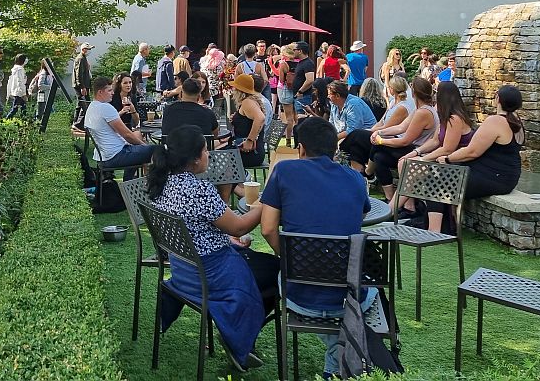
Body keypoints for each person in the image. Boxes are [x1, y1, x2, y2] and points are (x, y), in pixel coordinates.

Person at [148, 124, 275, 373]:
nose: (209, 155)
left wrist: (224, 239)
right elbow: (239, 227)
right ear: (195, 159)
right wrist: (265, 204)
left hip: (183, 272)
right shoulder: (200, 190)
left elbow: (194, 227)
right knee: (276, 270)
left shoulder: (161, 183)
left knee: (258, 262)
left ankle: (237, 335)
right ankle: (239, 338)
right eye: (206, 151)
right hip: (211, 275)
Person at [259, 116, 376, 379]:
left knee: (282, 274)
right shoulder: (356, 179)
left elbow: (267, 228)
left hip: (298, 293)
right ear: (335, 150)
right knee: (371, 289)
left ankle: (336, 360)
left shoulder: (284, 171)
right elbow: (358, 216)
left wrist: (288, 257)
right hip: (348, 298)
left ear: (300, 148)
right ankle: (338, 361)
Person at [400, 81, 474, 232]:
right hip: (445, 160)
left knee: (415, 168)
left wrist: (422, 159)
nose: (434, 96)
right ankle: (404, 207)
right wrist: (416, 152)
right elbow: (435, 141)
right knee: (406, 162)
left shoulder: (455, 119)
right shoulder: (445, 117)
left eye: (437, 93)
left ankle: (397, 208)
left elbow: (447, 149)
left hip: (456, 163)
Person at [369, 77, 438, 207]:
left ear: (414, 93)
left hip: (419, 151)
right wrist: (379, 132)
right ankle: (390, 199)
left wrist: (381, 141)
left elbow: (405, 141)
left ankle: (368, 173)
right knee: (379, 157)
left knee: (377, 146)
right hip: (412, 149)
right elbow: (401, 127)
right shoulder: (419, 109)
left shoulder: (423, 112)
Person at [341, 75, 413, 176]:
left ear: (392, 89)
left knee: (356, 133)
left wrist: (371, 131)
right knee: (355, 147)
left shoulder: (402, 107)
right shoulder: (392, 102)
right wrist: (371, 129)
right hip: (382, 132)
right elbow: (381, 121)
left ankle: (341, 149)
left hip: (391, 137)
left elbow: (388, 127)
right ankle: (359, 175)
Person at [85, 76, 154, 180]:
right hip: (115, 156)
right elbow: (127, 135)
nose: (112, 93)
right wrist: (144, 146)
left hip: (102, 157)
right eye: (109, 90)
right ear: (100, 92)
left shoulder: (92, 107)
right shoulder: (105, 107)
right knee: (157, 150)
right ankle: (157, 184)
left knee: (138, 147)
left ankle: (129, 183)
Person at [326, 80, 377, 170]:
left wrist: (333, 139)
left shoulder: (353, 104)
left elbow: (352, 130)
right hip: (346, 138)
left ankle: (357, 173)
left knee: (350, 148)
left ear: (337, 96)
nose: (328, 96)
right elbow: (331, 124)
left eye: (329, 94)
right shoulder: (334, 104)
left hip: (366, 138)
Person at [229, 73, 266, 169]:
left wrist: (250, 140)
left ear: (239, 90)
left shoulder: (247, 102)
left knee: (214, 155)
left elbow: (260, 118)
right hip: (251, 150)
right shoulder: (249, 101)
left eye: (234, 88)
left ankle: (234, 180)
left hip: (248, 153)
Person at [291, 41, 316, 121]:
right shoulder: (301, 62)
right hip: (299, 96)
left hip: (303, 96)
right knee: (299, 118)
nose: (293, 51)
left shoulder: (308, 63)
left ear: (300, 51)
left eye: (294, 49)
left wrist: (300, 91)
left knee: (303, 119)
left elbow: (310, 80)